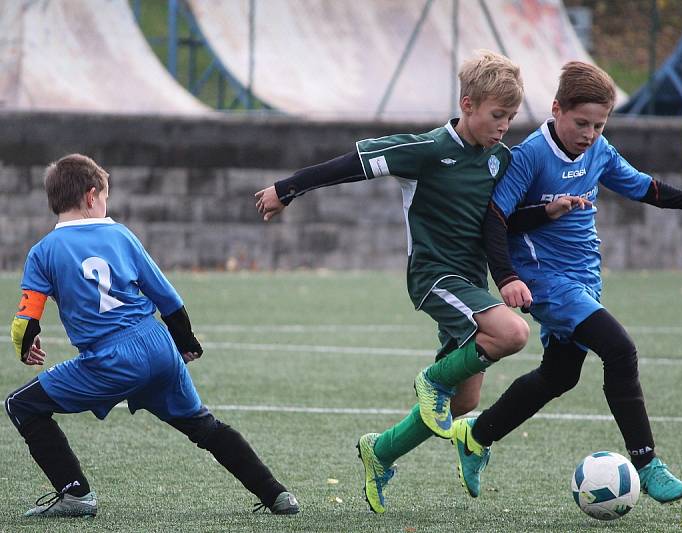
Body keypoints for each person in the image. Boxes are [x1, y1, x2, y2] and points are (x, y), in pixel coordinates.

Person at [447, 61, 682, 505]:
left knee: (559, 375)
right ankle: (647, 463)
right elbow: (495, 219)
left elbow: (647, 189)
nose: (589, 133)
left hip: (585, 276)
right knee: (619, 349)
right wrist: (506, 278)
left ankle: (477, 435)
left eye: (598, 125)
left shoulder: (599, 150)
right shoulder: (529, 156)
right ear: (556, 109)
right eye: (581, 123)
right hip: (543, 279)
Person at [254, 50, 530, 513]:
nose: (504, 126)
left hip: (471, 286)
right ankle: (430, 379)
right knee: (513, 333)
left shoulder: (499, 160)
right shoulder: (425, 150)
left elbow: (502, 222)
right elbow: (350, 166)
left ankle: (380, 452)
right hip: (433, 276)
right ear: (467, 104)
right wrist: (287, 188)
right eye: (497, 115)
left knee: (464, 402)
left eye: (511, 117)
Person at [5, 154, 299, 518]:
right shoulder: (122, 235)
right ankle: (277, 496)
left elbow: (24, 322)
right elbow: (168, 299)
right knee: (204, 426)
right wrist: (186, 343)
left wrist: (25, 347)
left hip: (108, 360)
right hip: (158, 345)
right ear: (92, 196)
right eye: (106, 198)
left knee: (21, 404)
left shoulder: (43, 252)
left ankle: (76, 494)